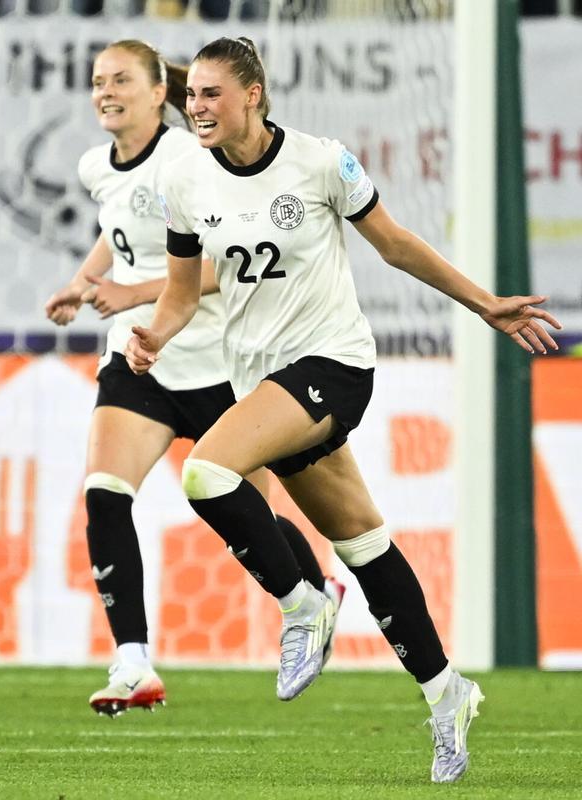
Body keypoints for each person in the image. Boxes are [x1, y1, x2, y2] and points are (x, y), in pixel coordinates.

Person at [129, 36, 560, 782]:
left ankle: (301, 604)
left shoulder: (322, 162)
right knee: (364, 545)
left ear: (253, 95)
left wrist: (486, 304)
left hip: (334, 364)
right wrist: (156, 336)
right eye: (190, 95)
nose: (195, 108)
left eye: (210, 95)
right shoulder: (185, 181)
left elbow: (394, 245)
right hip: (261, 383)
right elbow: (179, 288)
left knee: (204, 474)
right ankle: (446, 693)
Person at [43, 39, 343, 718]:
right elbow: (116, 227)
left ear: (158, 94)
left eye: (121, 79)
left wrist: (134, 291)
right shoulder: (98, 166)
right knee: (104, 491)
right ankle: (132, 661)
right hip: (143, 359)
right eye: (97, 81)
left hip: (218, 361)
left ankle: (317, 591)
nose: (105, 92)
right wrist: (84, 283)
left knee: (251, 509)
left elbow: (223, 263)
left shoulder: (191, 160)